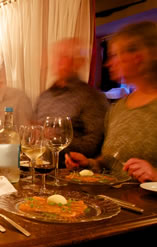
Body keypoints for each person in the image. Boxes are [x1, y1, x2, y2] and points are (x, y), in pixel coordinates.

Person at [66, 21, 157, 182]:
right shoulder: (118, 107)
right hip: (115, 201)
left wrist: (155, 175)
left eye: (115, 55)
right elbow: (110, 162)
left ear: (139, 57)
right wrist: (89, 163)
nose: (108, 63)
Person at [35, 38, 109, 160]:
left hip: (71, 171)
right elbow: (35, 130)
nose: (58, 61)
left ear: (79, 62)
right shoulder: (45, 96)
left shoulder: (92, 98)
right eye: (56, 56)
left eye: (65, 57)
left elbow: (94, 145)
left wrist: (56, 139)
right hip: (40, 166)